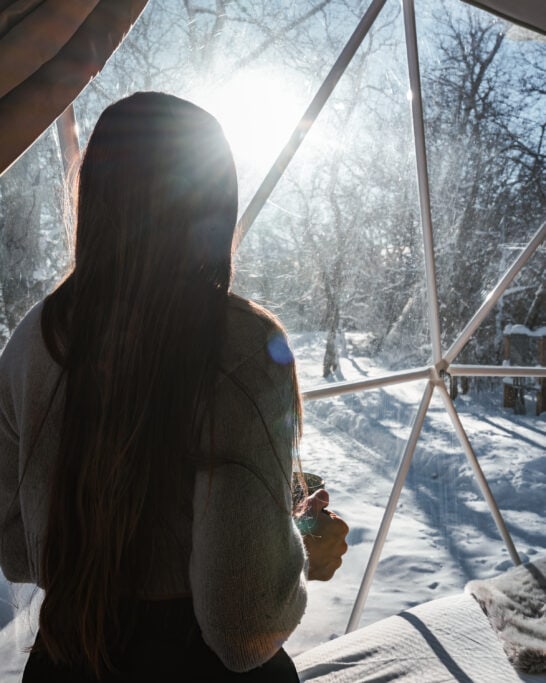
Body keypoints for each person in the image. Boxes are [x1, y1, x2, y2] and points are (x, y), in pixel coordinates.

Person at [0, 91, 349, 682]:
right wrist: (300, 548)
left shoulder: (35, 338)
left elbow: (14, 548)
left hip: (64, 662)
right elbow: (242, 626)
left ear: (95, 198)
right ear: (213, 202)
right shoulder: (239, 343)